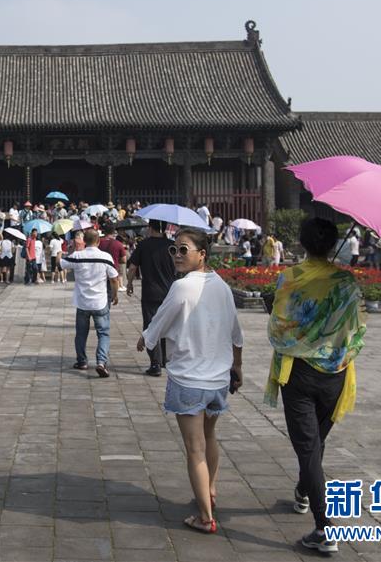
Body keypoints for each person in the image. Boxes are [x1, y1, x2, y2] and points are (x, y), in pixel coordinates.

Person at [266, 217, 367, 554]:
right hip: (336, 373)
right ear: (332, 244)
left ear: (303, 243)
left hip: (298, 373)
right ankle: (303, 490)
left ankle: (324, 528)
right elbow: (357, 330)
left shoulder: (291, 277)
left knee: (309, 446)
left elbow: (278, 328)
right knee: (314, 441)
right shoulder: (346, 281)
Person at [136, 226, 242, 535]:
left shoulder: (182, 287)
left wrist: (146, 338)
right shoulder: (221, 286)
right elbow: (236, 333)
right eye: (174, 249)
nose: (177, 255)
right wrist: (238, 366)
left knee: (195, 449)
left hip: (189, 380)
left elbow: (159, 321)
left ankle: (205, 518)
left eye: (184, 250)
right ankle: (209, 490)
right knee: (209, 437)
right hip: (217, 380)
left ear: (202, 254)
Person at [61, 228, 120, 378]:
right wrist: (114, 295)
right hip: (100, 301)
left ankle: (82, 361)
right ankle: (101, 362)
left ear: (84, 241)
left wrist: (68, 250)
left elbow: (61, 264)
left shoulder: (78, 256)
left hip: (82, 302)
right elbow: (114, 278)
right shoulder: (105, 257)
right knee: (103, 333)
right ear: (98, 241)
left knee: (81, 334)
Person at [127, 219, 176, 377]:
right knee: (167, 325)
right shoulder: (172, 245)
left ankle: (155, 363)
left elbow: (132, 267)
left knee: (150, 325)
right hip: (170, 292)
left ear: (150, 228)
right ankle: (165, 359)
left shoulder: (143, 245)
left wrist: (129, 283)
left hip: (150, 292)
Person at [98, 223, 127, 290]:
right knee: (110, 292)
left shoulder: (98, 242)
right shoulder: (118, 244)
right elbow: (124, 260)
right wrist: (116, 259)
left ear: (104, 231)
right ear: (113, 232)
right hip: (113, 271)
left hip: (99, 272)